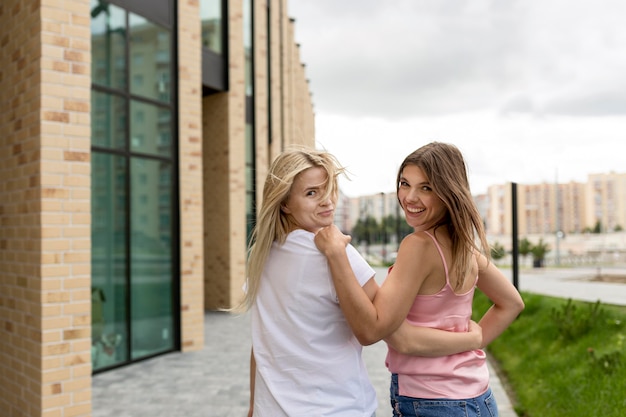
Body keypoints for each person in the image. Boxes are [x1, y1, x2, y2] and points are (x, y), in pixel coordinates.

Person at [238, 146, 485, 417]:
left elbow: (261, 342)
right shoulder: (335, 253)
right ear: (284, 202)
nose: (327, 201)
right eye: (312, 193)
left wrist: (254, 406)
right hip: (337, 408)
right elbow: (387, 330)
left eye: (328, 189)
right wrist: (471, 338)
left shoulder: (262, 255)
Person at [315, 142, 525, 417]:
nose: (410, 197)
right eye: (405, 183)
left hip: (431, 402)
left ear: (448, 193)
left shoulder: (418, 246)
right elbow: (512, 303)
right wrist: (476, 338)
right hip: (479, 398)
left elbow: (378, 331)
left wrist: (336, 255)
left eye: (426, 188)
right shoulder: (464, 247)